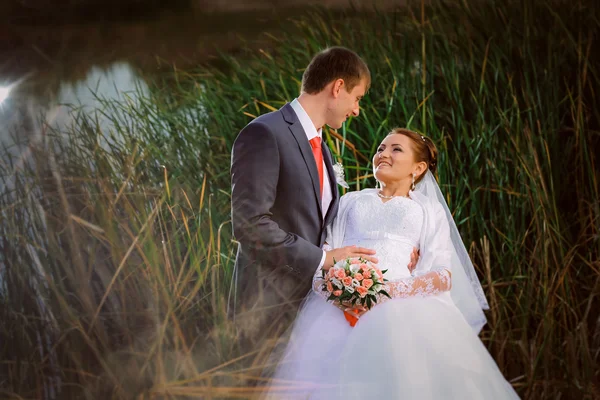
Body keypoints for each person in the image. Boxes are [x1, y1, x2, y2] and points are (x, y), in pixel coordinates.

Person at [263, 128, 520, 399]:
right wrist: (337, 292)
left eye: (396, 149)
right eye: (380, 149)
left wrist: (380, 293)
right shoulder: (350, 201)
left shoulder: (428, 210)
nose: (383, 154)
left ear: (418, 167)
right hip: (339, 309)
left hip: (404, 308)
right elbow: (324, 257)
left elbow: (442, 275)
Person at [229, 47, 401, 364]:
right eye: (357, 97)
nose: (357, 110)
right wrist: (323, 259)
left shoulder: (323, 148)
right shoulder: (265, 133)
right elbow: (250, 225)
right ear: (337, 87)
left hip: (309, 310)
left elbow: (322, 222)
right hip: (265, 307)